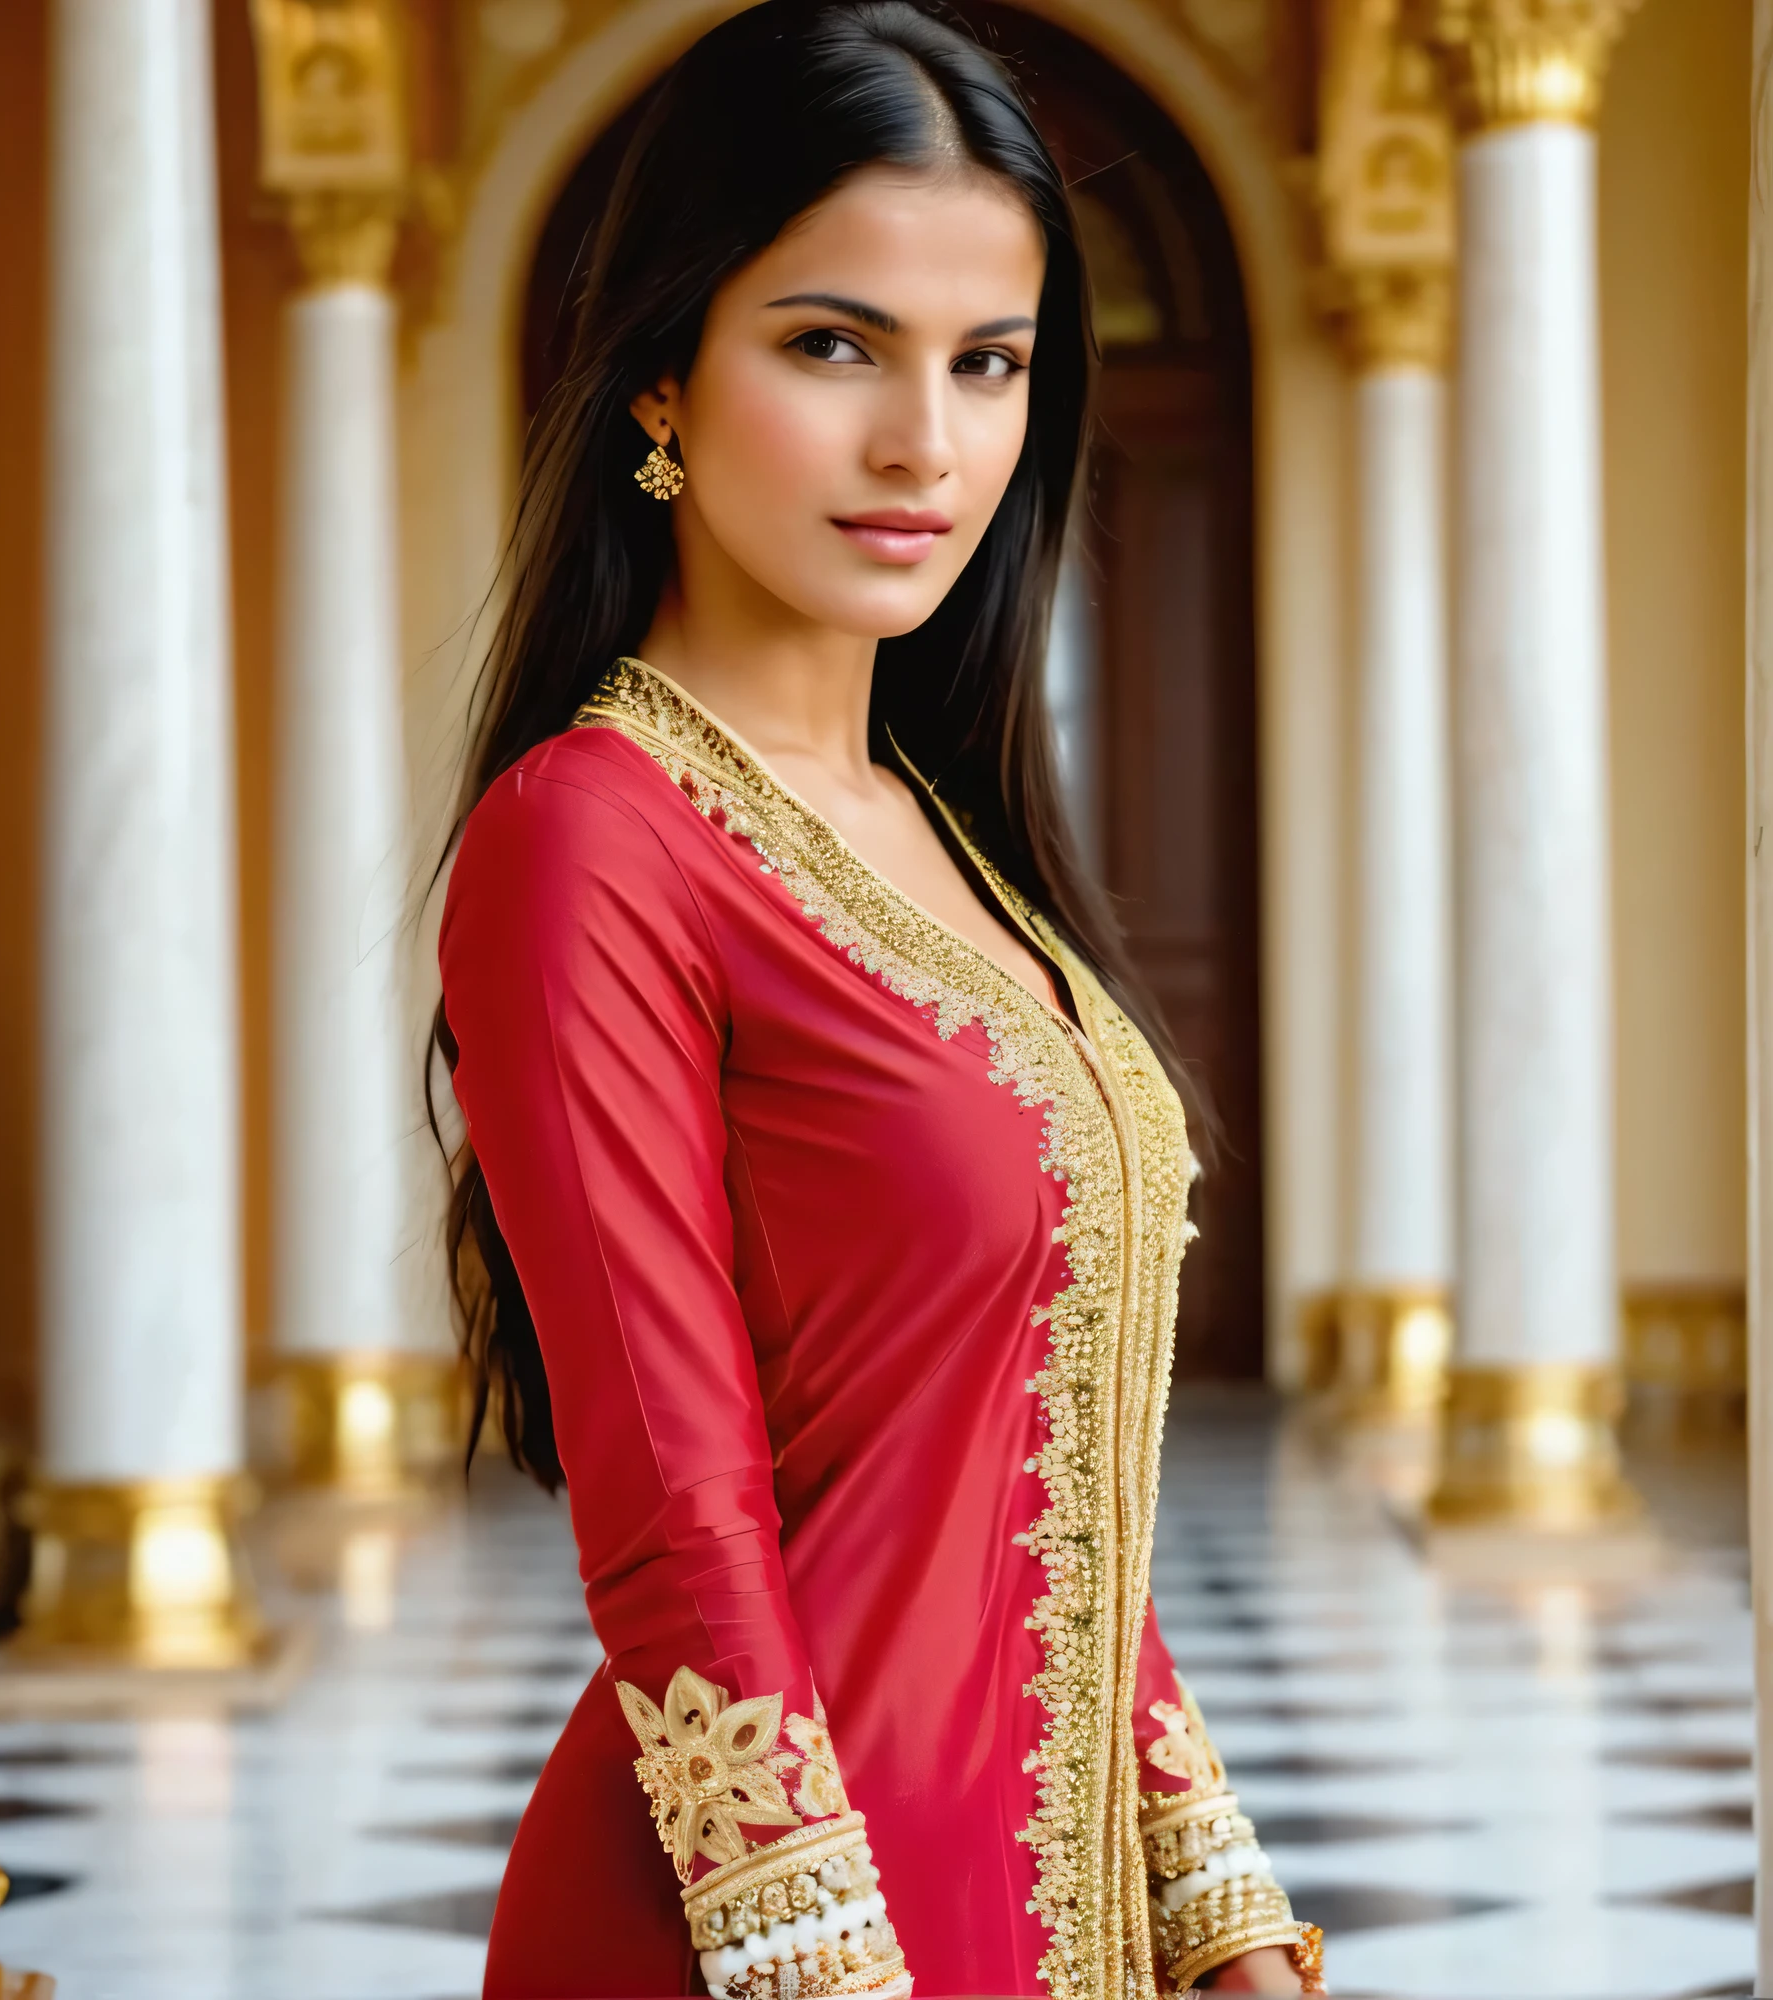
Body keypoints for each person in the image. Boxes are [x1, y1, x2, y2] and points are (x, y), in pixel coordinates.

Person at [433, 5, 1322, 1994]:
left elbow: (1039, 1471)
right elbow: (674, 1516)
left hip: (1040, 1900)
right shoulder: (589, 840)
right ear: (662, 366)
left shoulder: (951, 829)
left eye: (987, 362)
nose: (928, 442)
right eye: (833, 344)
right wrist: (816, 1955)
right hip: (771, 1928)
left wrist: (1213, 1901)